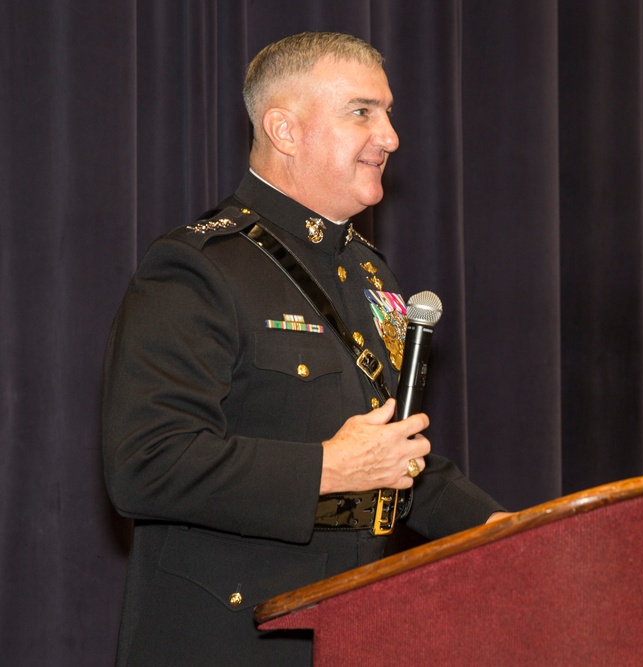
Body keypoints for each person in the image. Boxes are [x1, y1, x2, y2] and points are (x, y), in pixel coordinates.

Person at [102, 31, 509, 666]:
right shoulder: (199, 268)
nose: (391, 136)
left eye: (388, 111)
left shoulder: (371, 277)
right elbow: (146, 465)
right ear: (284, 130)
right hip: (231, 642)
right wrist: (327, 468)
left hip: (353, 630)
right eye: (361, 112)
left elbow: (394, 461)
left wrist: (508, 535)